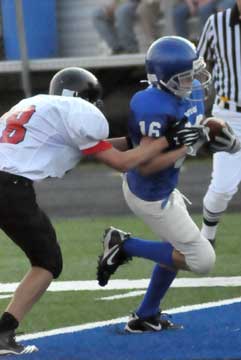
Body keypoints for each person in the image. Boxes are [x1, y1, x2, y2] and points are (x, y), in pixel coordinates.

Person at [0, 66, 201, 355]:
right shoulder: (80, 113)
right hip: (9, 186)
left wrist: (142, 142)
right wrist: (169, 140)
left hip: (6, 178)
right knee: (47, 261)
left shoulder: (33, 105)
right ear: (89, 98)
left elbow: (93, 148)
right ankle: (3, 333)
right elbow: (121, 163)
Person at [97, 36, 240, 332]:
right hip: (149, 193)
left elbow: (199, 128)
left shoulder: (194, 90)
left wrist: (221, 138)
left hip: (165, 187)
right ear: (163, 79)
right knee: (201, 260)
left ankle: (145, 315)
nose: (194, 81)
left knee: (174, 248)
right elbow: (146, 164)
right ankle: (123, 246)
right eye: (185, 76)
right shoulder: (150, 104)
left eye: (195, 72)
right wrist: (188, 147)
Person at [197, 0, 241, 247]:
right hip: (230, 116)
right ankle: (207, 236)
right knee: (223, 187)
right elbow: (199, 66)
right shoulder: (218, 23)